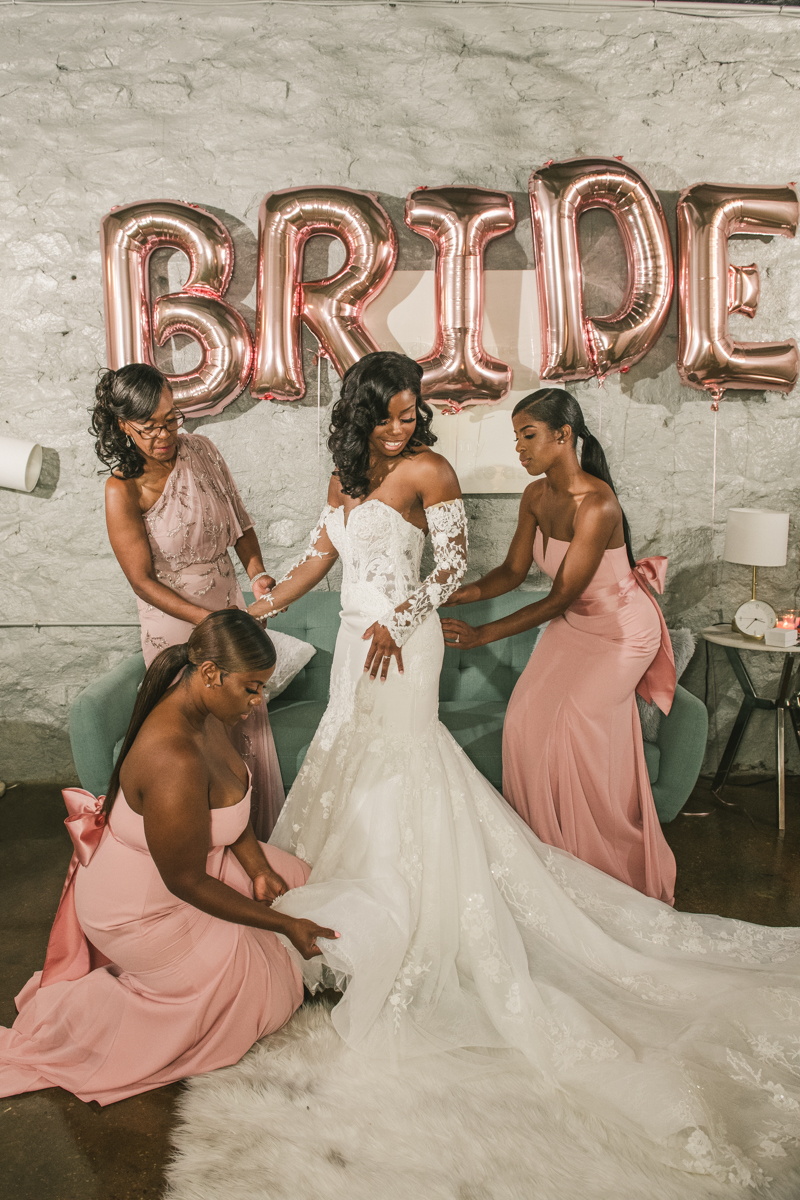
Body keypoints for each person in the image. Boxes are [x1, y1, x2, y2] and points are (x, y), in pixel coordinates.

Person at [249, 352, 800, 1186]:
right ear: (362, 413)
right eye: (390, 414)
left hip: (403, 641)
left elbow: (448, 569)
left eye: (411, 412)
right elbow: (319, 559)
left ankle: (416, 909)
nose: (404, 426)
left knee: (404, 766)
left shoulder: (432, 470)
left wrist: (403, 619)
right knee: (346, 764)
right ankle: (348, 911)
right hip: (360, 645)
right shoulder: (346, 474)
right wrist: (263, 601)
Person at [0, 610, 335, 1105]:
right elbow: (185, 882)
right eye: (251, 688)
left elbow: (228, 808)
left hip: (181, 867)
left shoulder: (205, 712)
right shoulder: (173, 756)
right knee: (259, 993)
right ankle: (94, 1019)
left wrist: (259, 869)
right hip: (141, 909)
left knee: (298, 879)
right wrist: (280, 925)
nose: (257, 700)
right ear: (209, 674)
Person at [441, 387, 676, 904]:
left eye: (528, 436)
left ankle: (600, 865)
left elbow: (559, 597)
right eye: (516, 438)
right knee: (523, 721)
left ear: (563, 435)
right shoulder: (534, 495)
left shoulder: (598, 504)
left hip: (620, 632)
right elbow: (511, 571)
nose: (519, 450)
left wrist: (482, 635)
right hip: (576, 622)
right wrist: (451, 596)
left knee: (572, 728)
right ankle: (545, 856)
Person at [92, 363, 283, 838]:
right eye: (149, 426)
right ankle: (200, 852)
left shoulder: (201, 450)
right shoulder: (123, 489)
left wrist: (257, 574)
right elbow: (142, 581)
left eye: (171, 418)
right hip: (178, 622)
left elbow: (240, 522)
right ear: (122, 425)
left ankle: (254, 842)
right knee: (200, 738)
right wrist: (211, 620)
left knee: (244, 720)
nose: (164, 434)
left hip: (228, 607)